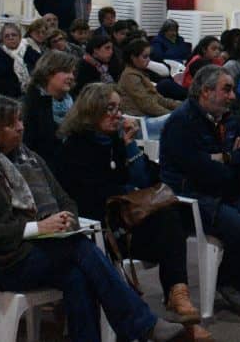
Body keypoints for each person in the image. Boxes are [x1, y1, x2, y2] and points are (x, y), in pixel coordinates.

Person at [0, 96, 186, 342]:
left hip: (46, 248)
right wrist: (36, 228)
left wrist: (67, 220)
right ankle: (142, 325)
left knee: (77, 276)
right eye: (12, 124)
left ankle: (122, 330)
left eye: (21, 120)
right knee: (79, 247)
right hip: (7, 261)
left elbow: (65, 200)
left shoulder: (30, 158)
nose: (21, 127)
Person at [57, 84, 208, 335]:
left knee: (172, 214)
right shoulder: (75, 147)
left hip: (125, 221)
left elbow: (147, 179)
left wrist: (129, 146)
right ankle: (173, 306)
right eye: (110, 108)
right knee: (168, 225)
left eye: (119, 108)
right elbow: (94, 196)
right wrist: (127, 189)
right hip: (99, 230)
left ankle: (177, 292)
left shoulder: (114, 140)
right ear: (92, 110)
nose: (118, 115)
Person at [160, 65, 240, 319]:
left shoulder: (226, 118)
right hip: (194, 199)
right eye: (227, 90)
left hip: (228, 191)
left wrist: (227, 157)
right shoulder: (182, 122)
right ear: (206, 92)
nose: (232, 96)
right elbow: (202, 171)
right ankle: (229, 283)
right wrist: (234, 162)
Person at [22, 51, 77, 174]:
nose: (71, 76)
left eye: (72, 72)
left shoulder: (75, 101)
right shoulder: (31, 106)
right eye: (66, 71)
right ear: (48, 73)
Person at [118, 38, 181, 138]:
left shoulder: (139, 73)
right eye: (145, 57)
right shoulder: (130, 76)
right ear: (133, 58)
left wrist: (181, 106)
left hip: (148, 118)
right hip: (140, 125)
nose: (148, 60)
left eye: (149, 56)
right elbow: (147, 105)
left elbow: (159, 99)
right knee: (182, 120)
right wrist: (172, 115)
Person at [0, 23, 24, 98]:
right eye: (7, 36)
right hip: (8, 97)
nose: (11, 38)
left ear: (20, 37)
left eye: (14, 35)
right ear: (3, 40)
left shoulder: (27, 50)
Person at [16, 18, 50, 92]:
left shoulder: (43, 48)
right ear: (31, 32)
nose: (41, 35)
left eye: (43, 32)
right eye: (37, 32)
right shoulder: (25, 44)